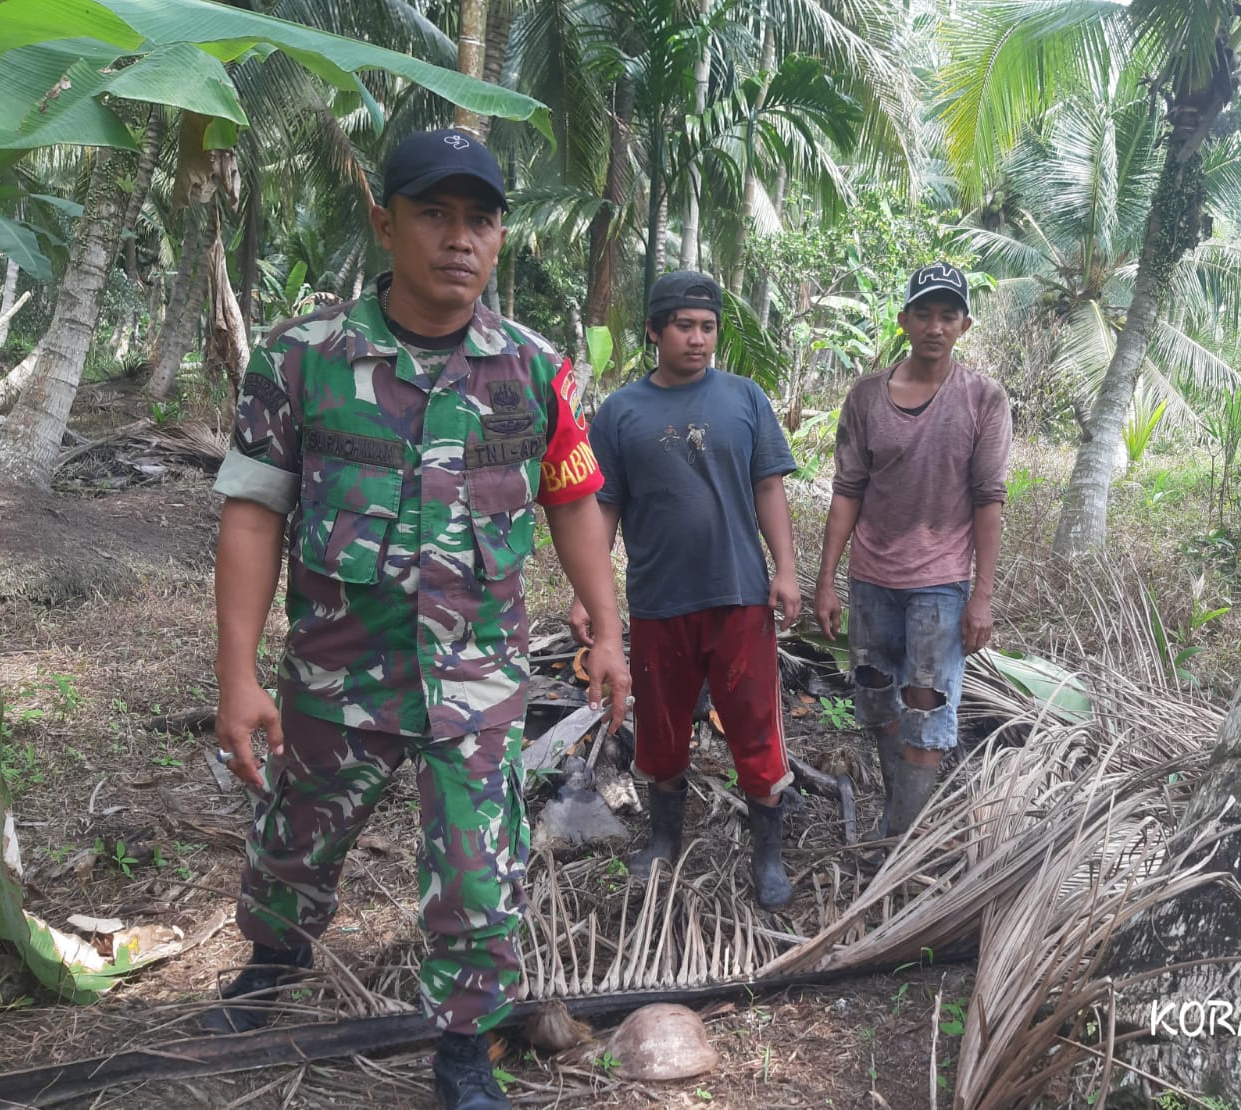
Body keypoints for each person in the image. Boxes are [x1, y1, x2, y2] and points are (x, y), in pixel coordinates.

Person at [203, 128, 629, 1110]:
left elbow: (572, 497)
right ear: (385, 221)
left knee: (481, 884)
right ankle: (272, 963)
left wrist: (604, 628)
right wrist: (237, 675)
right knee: (295, 840)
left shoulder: (532, 368)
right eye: (433, 214)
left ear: (500, 236)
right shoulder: (301, 362)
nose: (458, 239)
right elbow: (253, 511)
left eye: (479, 218)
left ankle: (463, 1049)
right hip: (336, 676)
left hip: (475, 684)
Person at [568, 270, 801, 911]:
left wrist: (784, 568)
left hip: (739, 596)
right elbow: (603, 508)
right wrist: (590, 595)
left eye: (707, 327)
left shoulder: (746, 398)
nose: (698, 340)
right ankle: (663, 838)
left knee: (755, 728)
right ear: (654, 331)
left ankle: (768, 856)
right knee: (661, 729)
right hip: (656, 601)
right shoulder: (620, 412)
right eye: (683, 326)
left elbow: (768, 488)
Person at [812, 262, 1010, 841]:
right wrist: (827, 582)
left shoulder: (983, 400)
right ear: (903, 321)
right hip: (872, 578)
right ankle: (901, 816)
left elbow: (988, 500)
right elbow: (847, 491)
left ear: (964, 324)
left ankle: (897, 844)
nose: (935, 326)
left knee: (926, 707)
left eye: (948, 315)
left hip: (940, 583)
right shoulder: (867, 397)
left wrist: (982, 597)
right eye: (923, 312)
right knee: (877, 703)